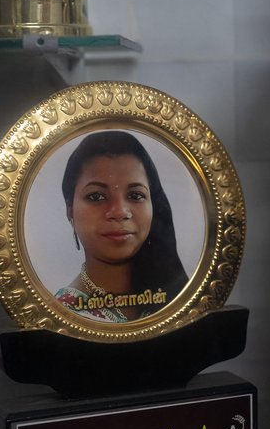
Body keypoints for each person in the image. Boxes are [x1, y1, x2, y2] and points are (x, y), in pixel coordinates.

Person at [56, 130, 188, 322]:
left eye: (136, 195)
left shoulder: (181, 297)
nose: (119, 212)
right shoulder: (62, 317)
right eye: (96, 196)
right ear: (70, 212)